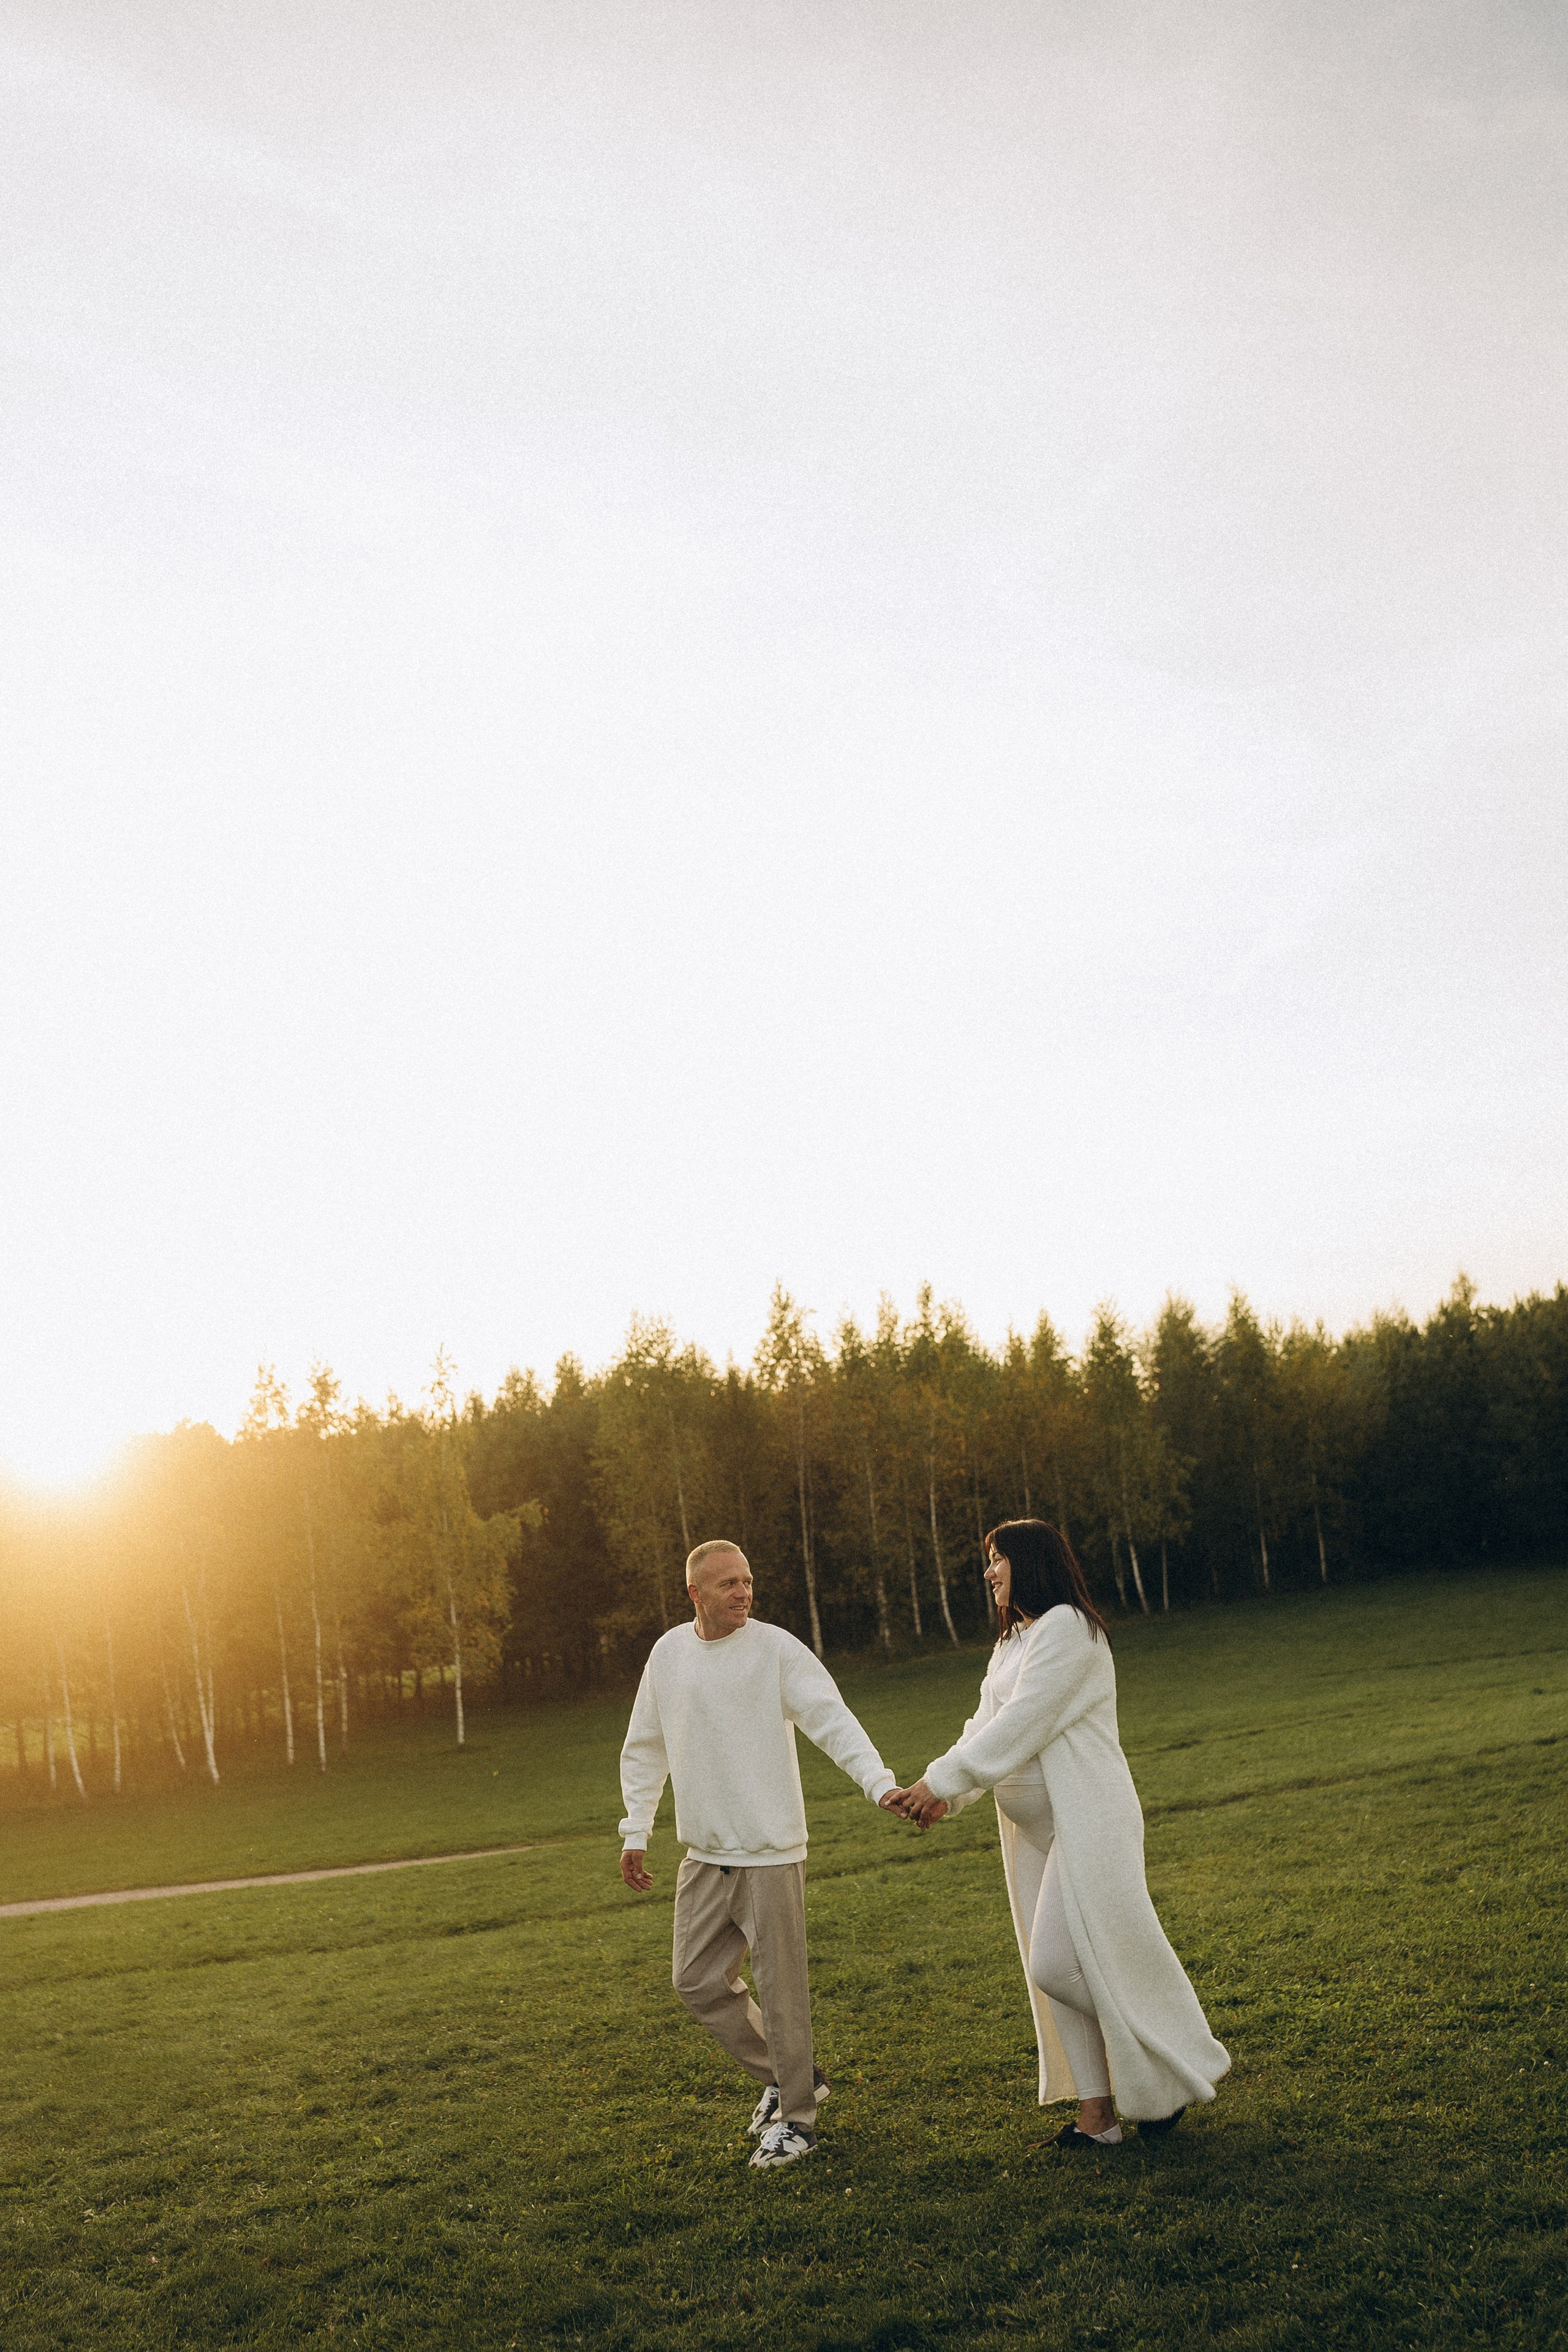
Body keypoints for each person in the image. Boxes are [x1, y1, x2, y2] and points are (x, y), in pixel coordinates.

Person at [896, 1519, 1230, 2148]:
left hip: (1088, 1818)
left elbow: (1026, 1720)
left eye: (998, 1559)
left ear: (1032, 1562)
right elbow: (983, 1726)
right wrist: (950, 1795)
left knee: (1059, 1966)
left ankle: (1169, 2069)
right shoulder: (1013, 1641)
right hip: (1033, 1831)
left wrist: (938, 1782)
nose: (988, 1572)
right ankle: (1096, 2120)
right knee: (1054, 1965)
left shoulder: (1069, 1630)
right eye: (987, 1561)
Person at [619, 1538, 904, 2169]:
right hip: (704, 1852)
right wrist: (635, 1829)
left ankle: (797, 2120)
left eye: (747, 1581)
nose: (743, 1593)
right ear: (694, 1593)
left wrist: (878, 1782)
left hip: (771, 1852)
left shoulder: (775, 1650)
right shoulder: (669, 1654)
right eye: (728, 1584)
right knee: (694, 1980)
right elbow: (645, 1745)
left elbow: (831, 1719)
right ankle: (790, 2076)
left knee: (781, 1993)